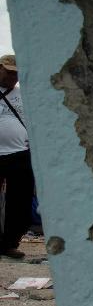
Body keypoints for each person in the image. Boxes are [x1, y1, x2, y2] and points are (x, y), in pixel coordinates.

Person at [0, 55, 35, 259]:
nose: (13, 76)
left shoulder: (24, 95)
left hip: (20, 153)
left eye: (17, 73)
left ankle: (10, 243)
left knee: (20, 202)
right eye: (9, 72)